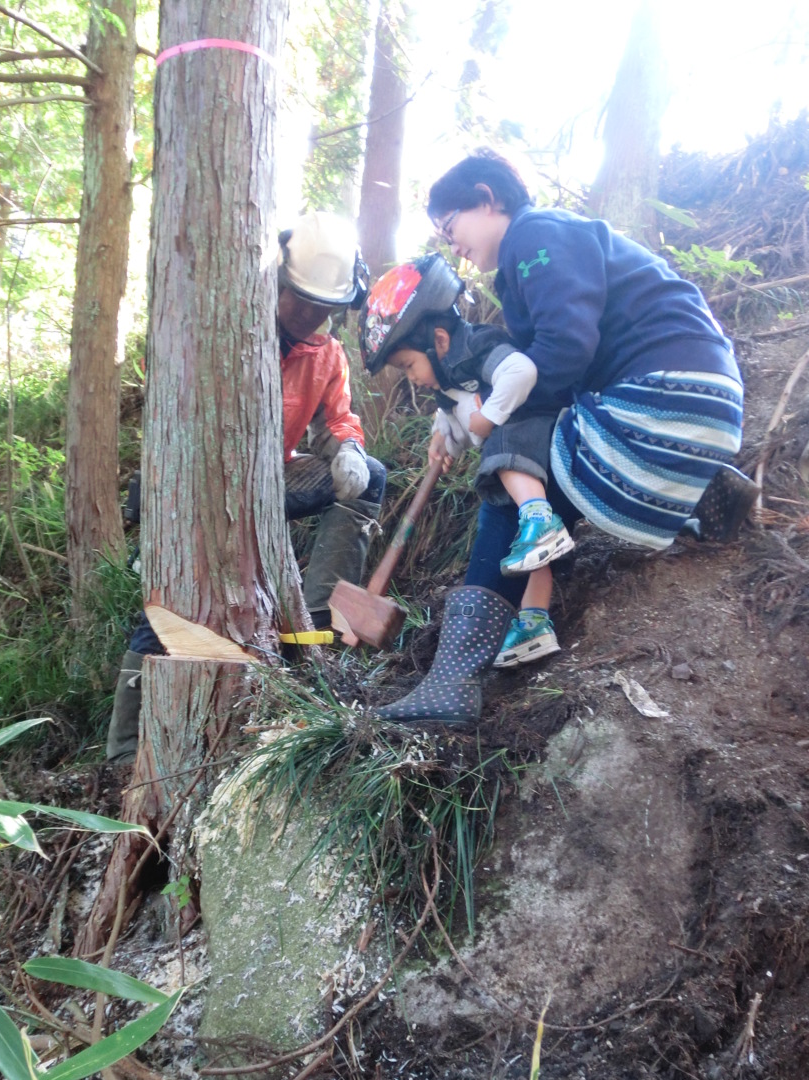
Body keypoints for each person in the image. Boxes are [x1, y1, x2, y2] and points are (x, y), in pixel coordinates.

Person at [369, 148, 753, 726]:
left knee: (512, 446)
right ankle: (700, 496)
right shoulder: (535, 255)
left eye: (453, 228)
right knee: (533, 433)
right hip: (699, 405)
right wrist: (454, 417)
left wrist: (489, 424)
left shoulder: (535, 235)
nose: (454, 245)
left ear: (487, 199)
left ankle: (453, 682)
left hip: (662, 393)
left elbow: (563, 351)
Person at [106, 211, 386, 763]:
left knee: (371, 475)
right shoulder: (228, 324)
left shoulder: (326, 353)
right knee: (171, 600)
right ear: (277, 283)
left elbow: (337, 418)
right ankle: (123, 748)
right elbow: (163, 379)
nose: (309, 317)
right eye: (301, 303)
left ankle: (318, 623)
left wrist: (347, 448)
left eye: (322, 308)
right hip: (197, 485)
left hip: (272, 478)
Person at [359, 253, 571, 683]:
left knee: (501, 445)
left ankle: (537, 515)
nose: (412, 378)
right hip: (517, 466)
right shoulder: (447, 380)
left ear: (438, 339)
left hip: (540, 434)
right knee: (530, 552)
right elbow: (457, 410)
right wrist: (445, 435)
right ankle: (533, 622)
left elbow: (520, 370)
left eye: (407, 365)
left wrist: (488, 418)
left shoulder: (475, 347)